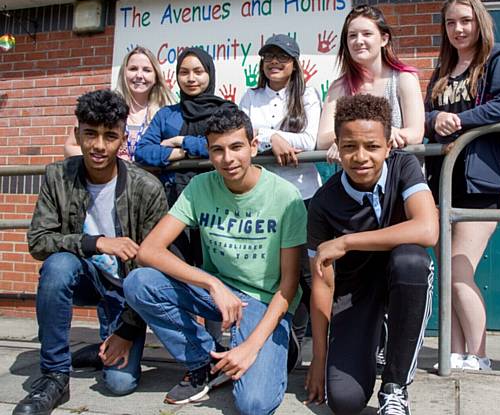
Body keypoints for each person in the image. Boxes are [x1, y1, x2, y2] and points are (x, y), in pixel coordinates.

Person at [124, 107, 307, 414]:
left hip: (264, 303)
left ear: (253, 145)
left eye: (236, 147)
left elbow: (288, 287)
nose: (228, 159)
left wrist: (251, 348)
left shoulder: (286, 197)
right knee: (139, 282)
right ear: (208, 151)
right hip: (218, 292)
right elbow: (149, 250)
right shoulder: (200, 186)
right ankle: (207, 361)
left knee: (254, 405)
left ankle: (267, 345)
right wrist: (210, 282)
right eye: (217, 150)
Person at [15, 90, 167, 415]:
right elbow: (38, 241)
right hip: (84, 276)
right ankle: (55, 375)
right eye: (90, 134)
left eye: (110, 136)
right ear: (77, 134)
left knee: (119, 383)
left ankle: (100, 346)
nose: (99, 145)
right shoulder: (58, 176)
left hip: (128, 292)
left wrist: (127, 331)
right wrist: (95, 243)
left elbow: (156, 270)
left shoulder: (147, 188)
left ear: (123, 138)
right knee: (57, 267)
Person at [305, 94, 438, 415]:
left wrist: (347, 242)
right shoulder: (324, 202)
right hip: (355, 292)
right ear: (337, 146)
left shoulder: (404, 166)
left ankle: (394, 386)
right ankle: (375, 333)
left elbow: (427, 230)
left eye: (372, 146)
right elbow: (322, 284)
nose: (361, 157)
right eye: (349, 146)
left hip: (399, 276)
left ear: (388, 146)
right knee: (345, 402)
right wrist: (319, 359)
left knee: (411, 260)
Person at [424, 0, 500, 372]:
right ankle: (454, 352)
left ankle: (479, 353)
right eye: (451, 22)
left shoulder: (498, 58)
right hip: (442, 185)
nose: (458, 29)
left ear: (479, 21)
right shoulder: (444, 68)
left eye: (465, 21)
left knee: (458, 270)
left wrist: (459, 120)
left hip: (481, 184)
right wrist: (435, 120)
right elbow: (429, 113)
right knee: (448, 271)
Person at [239, 33, 321, 367]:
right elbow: (243, 138)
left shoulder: (309, 94)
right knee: (275, 272)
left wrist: (271, 136)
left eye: (282, 57)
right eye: (269, 56)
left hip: (303, 196)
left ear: (294, 63)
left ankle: (312, 343)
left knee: (306, 273)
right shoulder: (250, 95)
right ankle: (283, 341)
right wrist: (272, 139)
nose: (275, 62)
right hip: (263, 196)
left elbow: (310, 138)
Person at [134, 47, 235, 266]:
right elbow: (142, 151)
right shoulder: (167, 114)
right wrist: (178, 153)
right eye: (184, 72)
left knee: (217, 267)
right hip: (175, 203)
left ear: (209, 73)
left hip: (218, 201)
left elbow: (222, 144)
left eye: (198, 72)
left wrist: (181, 141)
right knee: (179, 265)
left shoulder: (225, 111)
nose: (191, 79)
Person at [316, 4, 425, 162]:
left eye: (367, 34)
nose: (359, 41)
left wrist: (381, 132)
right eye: (352, 35)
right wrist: (346, 137)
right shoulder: (339, 87)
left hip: (400, 176)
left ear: (384, 39)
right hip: (355, 178)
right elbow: (322, 140)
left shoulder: (403, 78)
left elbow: (416, 134)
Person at [63, 46, 175, 160]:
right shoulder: (104, 105)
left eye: (146, 70)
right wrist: (111, 162)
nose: (139, 75)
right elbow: (70, 148)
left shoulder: (166, 114)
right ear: (123, 73)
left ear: (156, 76)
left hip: (150, 177)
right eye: (133, 69)